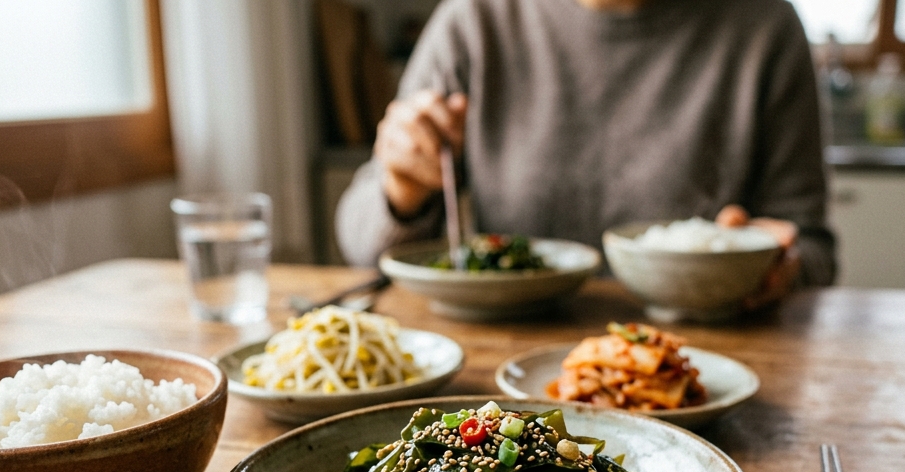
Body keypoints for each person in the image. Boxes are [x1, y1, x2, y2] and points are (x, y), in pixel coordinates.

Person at [336, 0, 835, 309]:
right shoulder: (474, 19)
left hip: (703, 365)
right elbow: (359, 239)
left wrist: (775, 261)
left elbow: (813, 249)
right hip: (499, 366)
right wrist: (401, 191)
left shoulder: (765, 25)